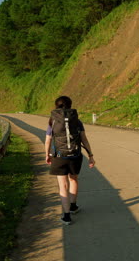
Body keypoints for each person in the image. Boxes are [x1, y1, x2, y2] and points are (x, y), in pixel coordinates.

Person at [45, 96, 95, 225]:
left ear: (56, 106)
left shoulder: (53, 120)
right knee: (73, 179)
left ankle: (66, 216)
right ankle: (73, 206)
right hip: (75, 155)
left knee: (63, 186)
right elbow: (84, 139)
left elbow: (48, 139)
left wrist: (47, 154)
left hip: (59, 156)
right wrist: (90, 155)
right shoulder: (77, 121)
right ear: (70, 105)